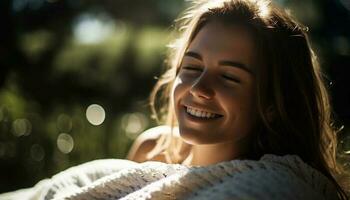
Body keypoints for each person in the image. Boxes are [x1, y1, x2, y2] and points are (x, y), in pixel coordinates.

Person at [0, 0, 348, 199]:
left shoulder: (278, 184)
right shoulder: (152, 149)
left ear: (272, 102)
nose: (199, 87)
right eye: (192, 66)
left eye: (228, 76)